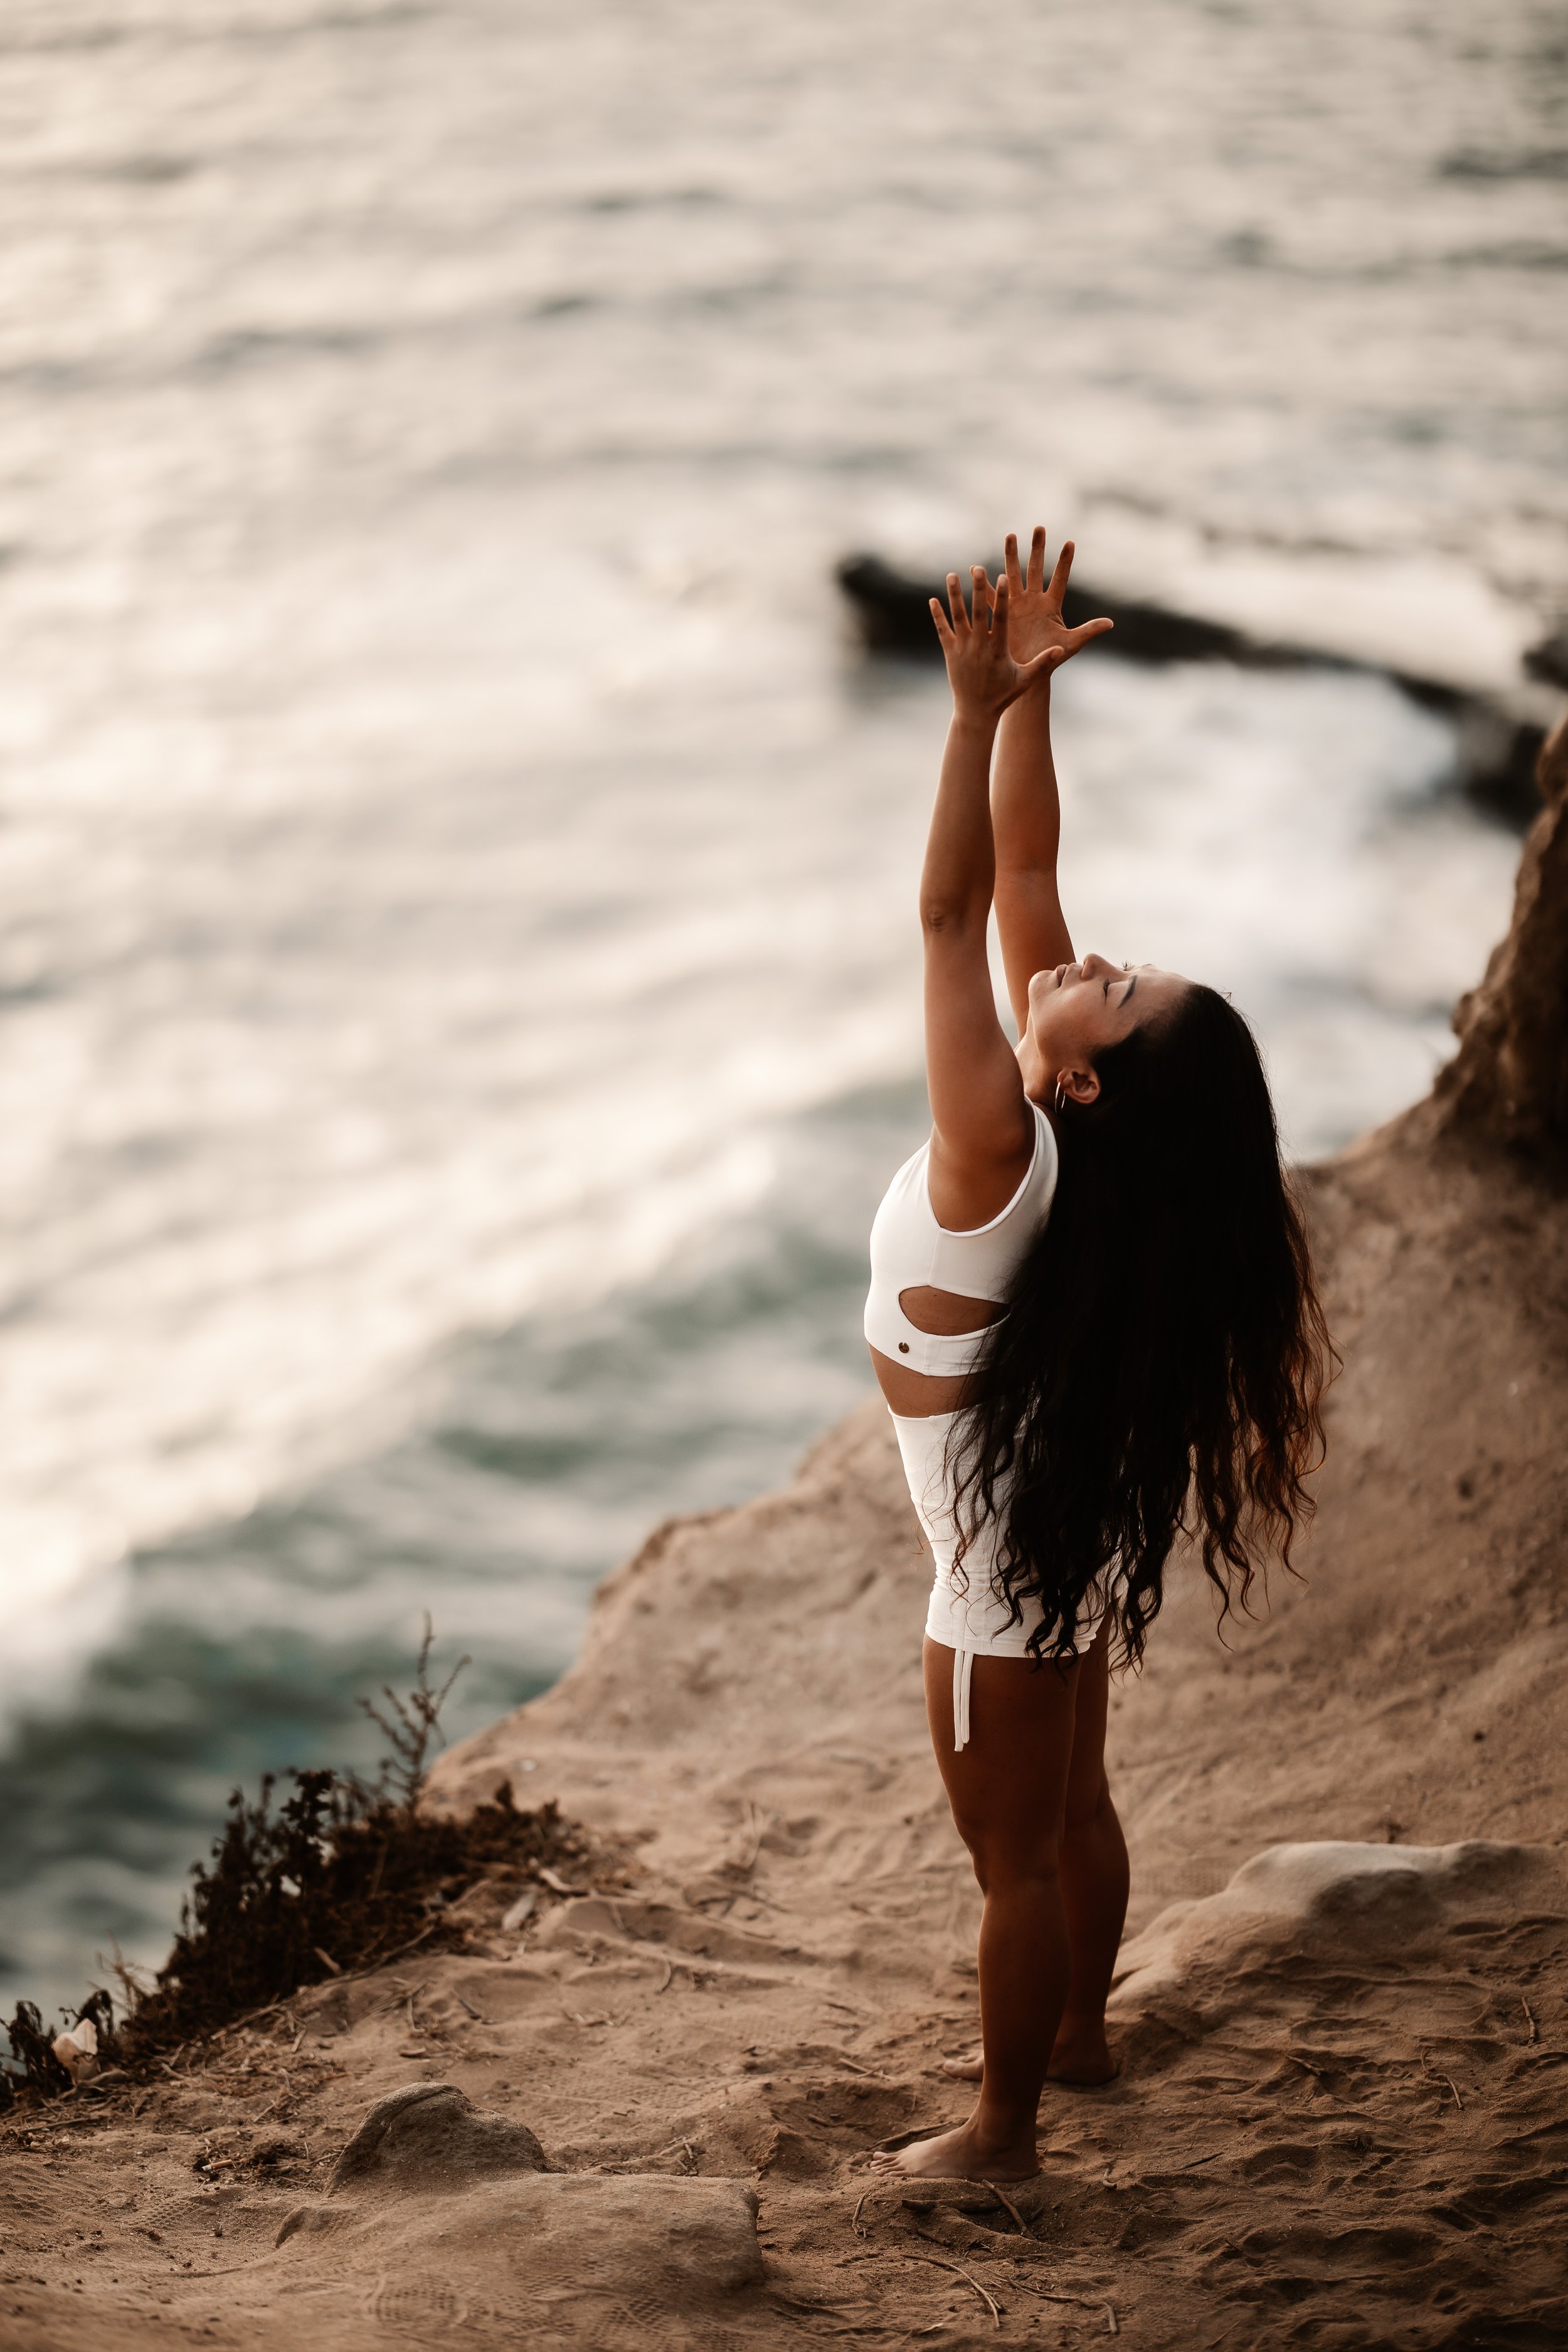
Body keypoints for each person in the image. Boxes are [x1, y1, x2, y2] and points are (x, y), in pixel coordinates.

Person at [864, 529, 1332, 2182]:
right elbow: (1023, 882)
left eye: (1114, 990)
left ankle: (998, 2138)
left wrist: (966, 713)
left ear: (1080, 1083)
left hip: (985, 1577)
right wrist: (1037, 705)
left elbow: (945, 906)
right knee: (1068, 1819)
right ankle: (1080, 2041)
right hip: (1040, 1553)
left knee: (1015, 1865)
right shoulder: (1086, 1165)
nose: (1082, 959)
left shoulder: (995, 1149)